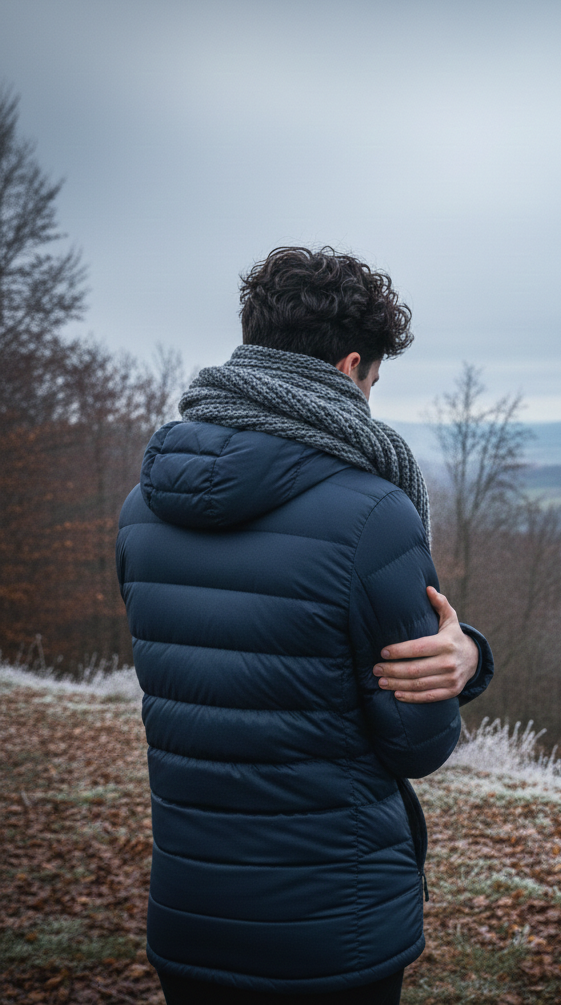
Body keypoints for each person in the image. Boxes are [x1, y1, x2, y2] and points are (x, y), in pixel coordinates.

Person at [116, 247, 493, 1004]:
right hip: (331, 931)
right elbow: (416, 743)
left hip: (191, 916)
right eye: (374, 382)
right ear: (351, 368)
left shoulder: (143, 507)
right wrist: (470, 659)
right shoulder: (374, 514)